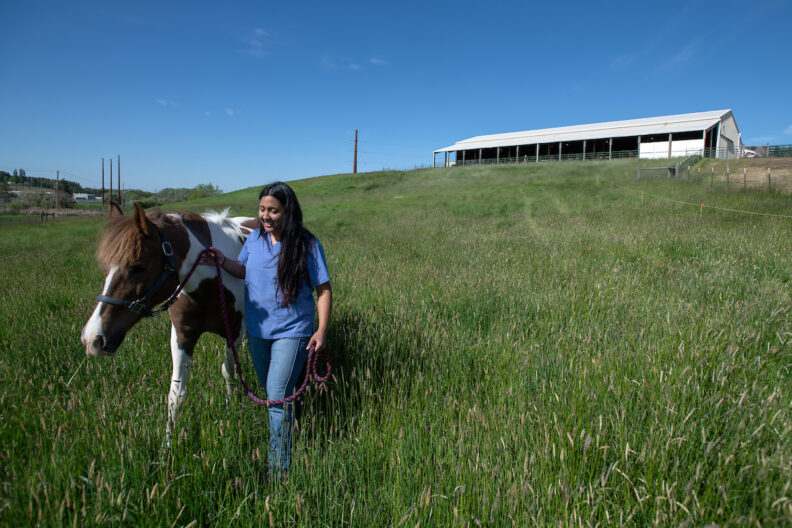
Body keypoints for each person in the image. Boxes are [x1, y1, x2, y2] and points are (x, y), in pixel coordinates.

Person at [199, 181, 332, 480]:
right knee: (280, 394)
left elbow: (323, 289)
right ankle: (294, 430)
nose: (266, 216)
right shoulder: (256, 240)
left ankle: (278, 471)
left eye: (273, 210)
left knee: (275, 396)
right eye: (262, 209)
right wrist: (223, 261)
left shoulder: (307, 244)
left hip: (293, 331)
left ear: (288, 212)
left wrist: (321, 331)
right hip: (257, 331)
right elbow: (246, 270)